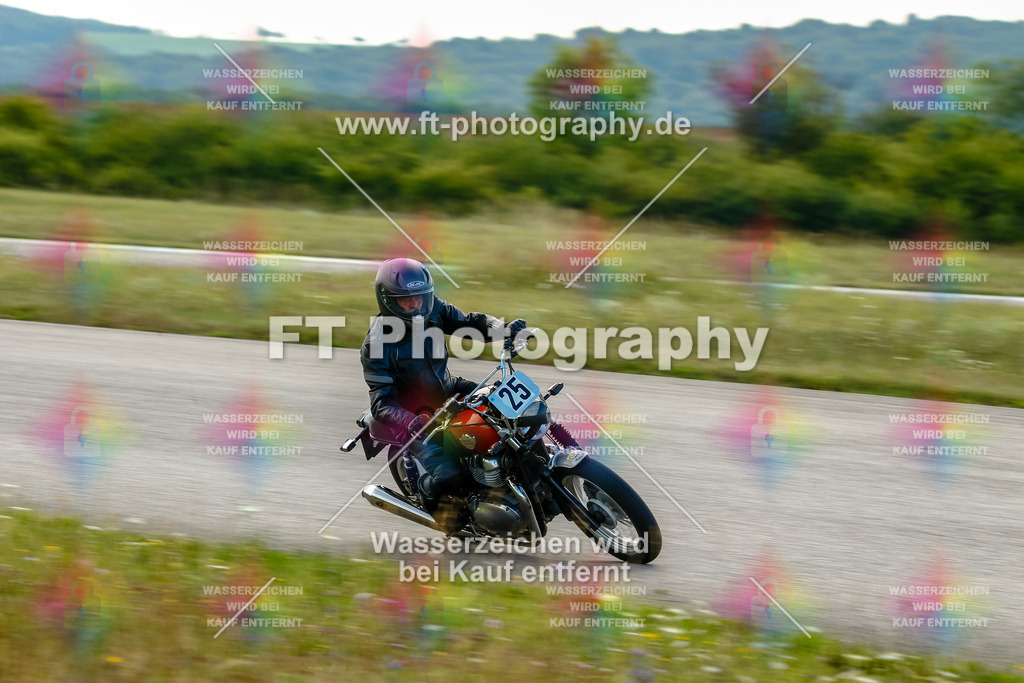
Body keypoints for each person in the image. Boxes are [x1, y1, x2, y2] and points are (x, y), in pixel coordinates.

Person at [360, 258, 527, 517]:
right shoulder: (376, 344)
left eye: (421, 297)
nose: (416, 305)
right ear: (388, 301)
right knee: (450, 474)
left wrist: (502, 329)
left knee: (510, 413)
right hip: (415, 416)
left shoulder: (434, 310)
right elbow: (381, 404)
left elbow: (471, 323)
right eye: (407, 300)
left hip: (448, 391)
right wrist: (412, 422)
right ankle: (433, 508)